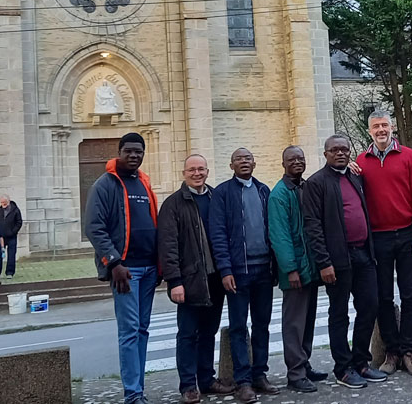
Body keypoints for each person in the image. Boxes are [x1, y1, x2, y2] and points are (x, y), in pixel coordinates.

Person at [303, 135, 385, 389]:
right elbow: (312, 226)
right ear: (325, 153)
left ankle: (361, 361)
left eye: (344, 149)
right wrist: (324, 263)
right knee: (339, 314)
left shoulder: (354, 177)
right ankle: (343, 368)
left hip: (363, 253)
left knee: (370, 306)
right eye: (334, 150)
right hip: (337, 259)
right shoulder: (316, 183)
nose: (340, 153)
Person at [353, 111, 412, 376]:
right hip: (378, 237)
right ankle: (392, 351)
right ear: (369, 131)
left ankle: (409, 351)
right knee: (382, 297)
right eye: (376, 126)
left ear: (392, 127)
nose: (381, 130)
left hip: (409, 233)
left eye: (385, 125)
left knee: (411, 295)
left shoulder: (409, 156)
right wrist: (351, 170)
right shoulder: (361, 162)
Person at [86, 132, 161, 404]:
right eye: (128, 151)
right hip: (125, 272)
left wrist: (160, 264)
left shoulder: (144, 183)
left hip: (150, 269)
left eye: (138, 152)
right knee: (129, 332)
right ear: (119, 152)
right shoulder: (104, 185)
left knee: (142, 330)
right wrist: (113, 262)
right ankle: (132, 394)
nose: (134, 156)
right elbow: (94, 227)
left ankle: (138, 388)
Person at [158, 155, 236, 404]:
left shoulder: (216, 197)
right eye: (192, 169)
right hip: (189, 280)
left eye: (201, 169)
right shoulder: (173, 204)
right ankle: (188, 385)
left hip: (214, 278)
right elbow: (168, 246)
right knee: (188, 333)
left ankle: (206, 379)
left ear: (208, 171)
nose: (197, 173)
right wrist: (174, 281)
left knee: (209, 332)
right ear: (184, 173)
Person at [209, 148, 279, 403]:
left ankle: (260, 374)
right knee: (238, 327)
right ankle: (243, 382)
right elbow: (217, 234)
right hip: (238, 273)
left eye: (248, 158)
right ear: (231, 165)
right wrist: (225, 270)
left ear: (254, 162)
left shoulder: (264, 191)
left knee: (262, 325)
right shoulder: (223, 194)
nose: (244, 162)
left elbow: (273, 228)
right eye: (239, 159)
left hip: (263, 270)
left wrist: (275, 267)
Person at [267, 146, 328, 393]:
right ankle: (295, 372)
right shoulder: (279, 194)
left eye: (301, 158)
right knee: (294, 323)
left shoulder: (304, 188)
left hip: (310, 267)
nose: (297, 162)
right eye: (292, 159)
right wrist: (290, 269)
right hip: (294, 270)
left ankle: (305, 364)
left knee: (308, 320)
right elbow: (279, 236)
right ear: (283, 163)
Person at [0, 194, 23, 279]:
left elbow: (19, 222)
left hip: (11, 236)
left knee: (11, 255)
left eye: (5, 202)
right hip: (0, 237)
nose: (3, 204)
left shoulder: (15, 210)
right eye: (2, 202)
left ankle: (10, 272)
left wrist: (13, 232)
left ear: (8, 201)